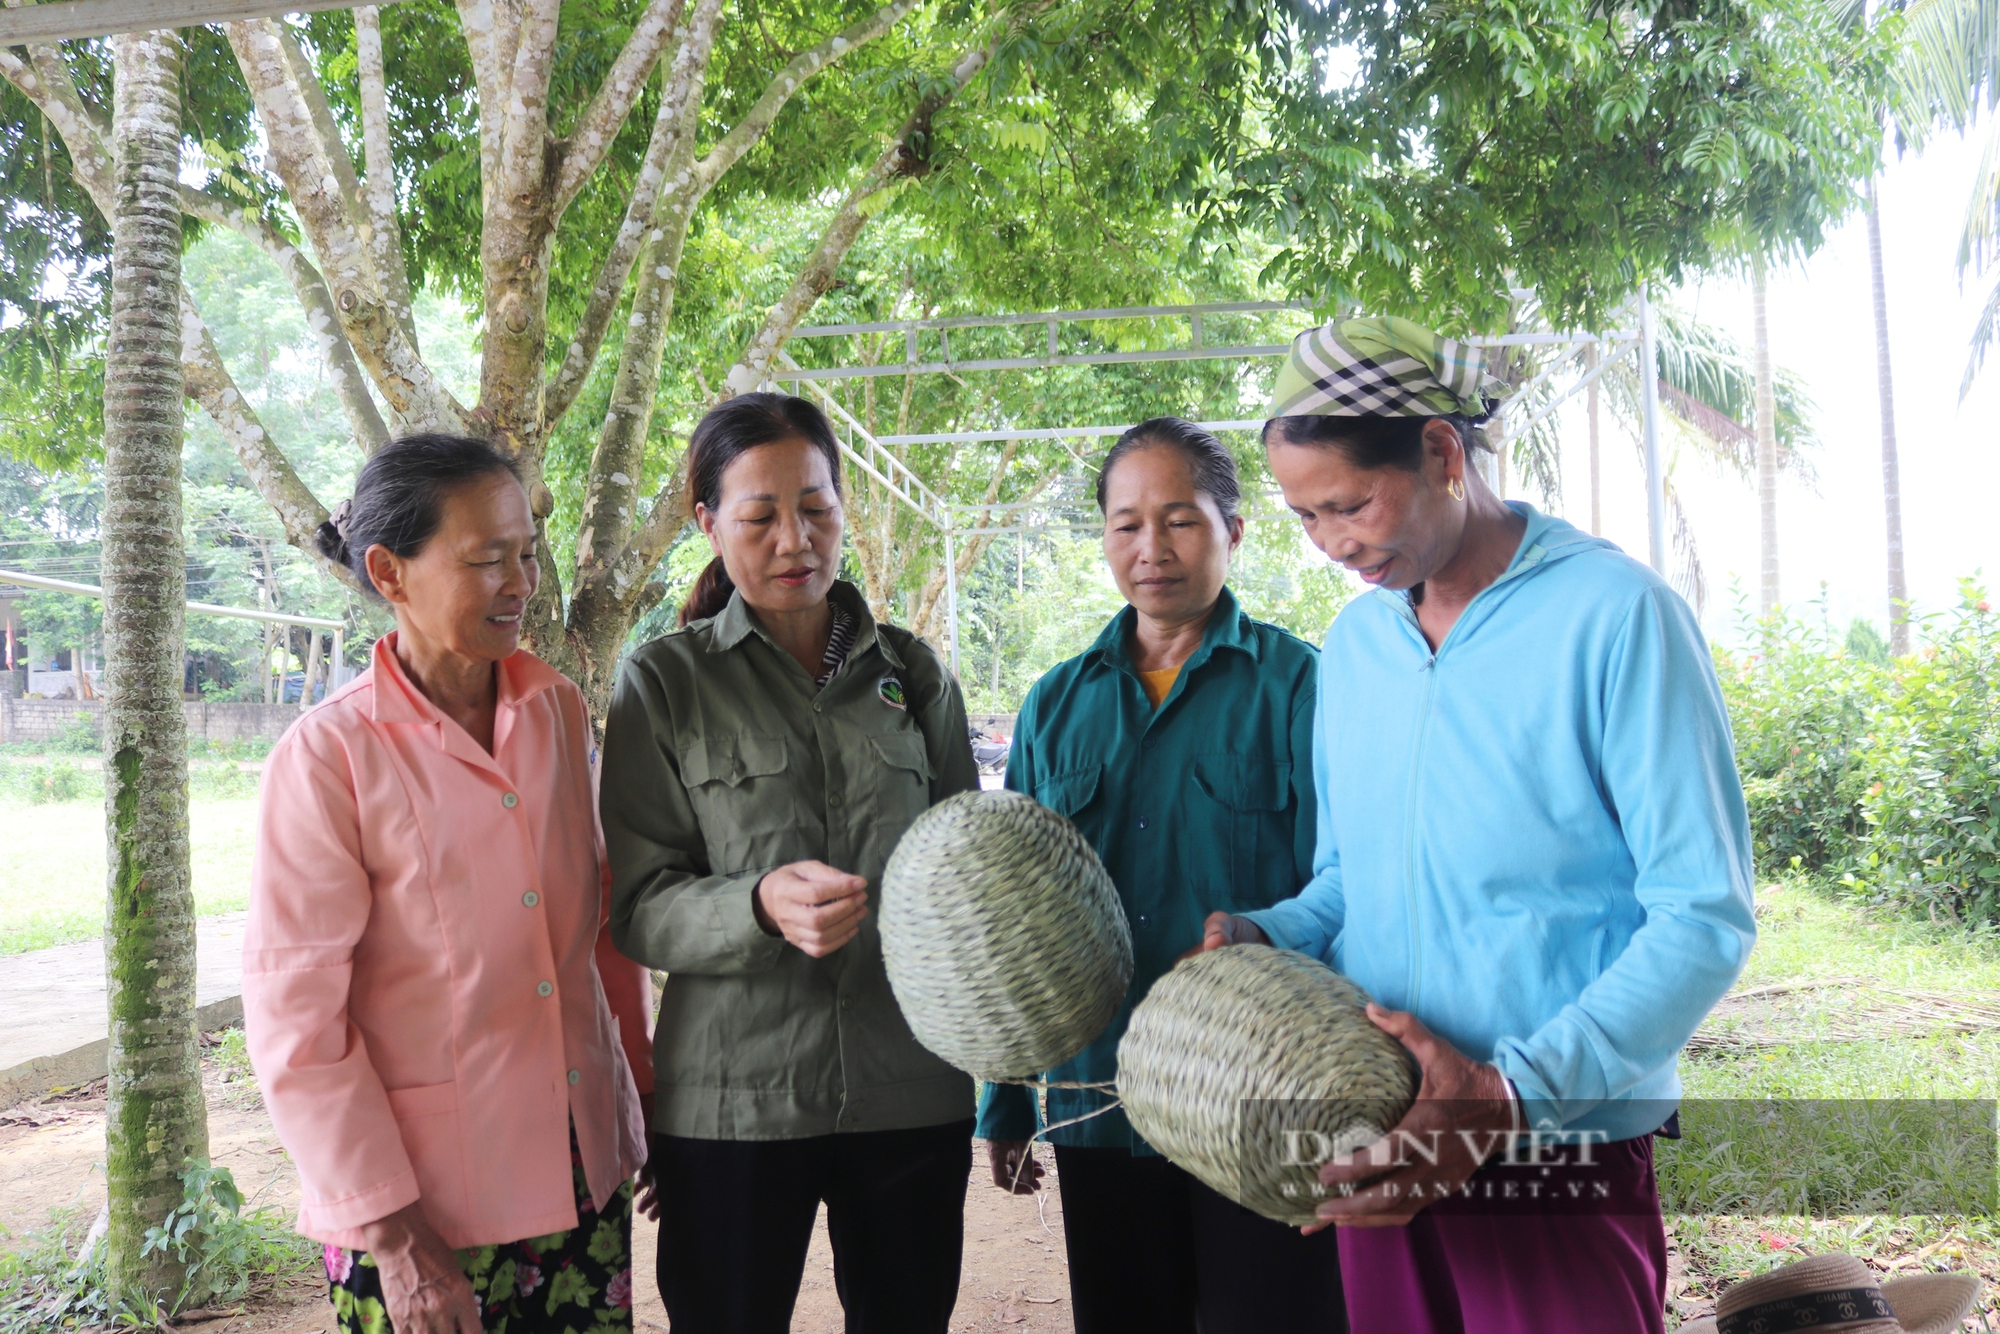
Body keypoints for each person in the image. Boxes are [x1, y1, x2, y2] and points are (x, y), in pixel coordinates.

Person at [1199, 317, 1757, 1334]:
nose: (1334, 543)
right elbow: (1348, 878)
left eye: (1351, 503)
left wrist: (1508, 1095)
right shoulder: (1359, 642)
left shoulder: (1615, 614)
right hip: (1383, 1127)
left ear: (1441, 451)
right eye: (1305, 517)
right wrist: (1267, 931)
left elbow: (1700, 916)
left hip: (1558, 1143)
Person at [244, 434, 654, 1334]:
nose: (521, 583)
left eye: (525, 554)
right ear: (390, 573)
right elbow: (297, 1025)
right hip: (422, 1212)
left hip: (579, 1170)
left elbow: (593, 932)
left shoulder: (554, 710)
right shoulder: (329, 758)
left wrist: (640, 1097)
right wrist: (394, 1235)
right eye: (485, 561)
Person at [599, 392, 980, 1334]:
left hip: (910, 1091)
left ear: (844, 508)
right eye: (759, 516)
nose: (793, 540)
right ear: (708, 524)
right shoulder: (664, 682)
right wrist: (759, 904)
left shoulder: (914, 675)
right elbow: (638, 907)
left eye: (815, 509)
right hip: (734, 1106)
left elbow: (971, 877)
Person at [975, 418, 1343, 1333]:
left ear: (1234, 530)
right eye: (1126, 524)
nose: (1151, 549)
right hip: (1104, 1102)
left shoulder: (1301, 687)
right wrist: (1007, 1094)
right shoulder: (1056, 706)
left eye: (1179, 521)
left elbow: (1349, 891)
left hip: (1262, 1098)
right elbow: (1019, 920)